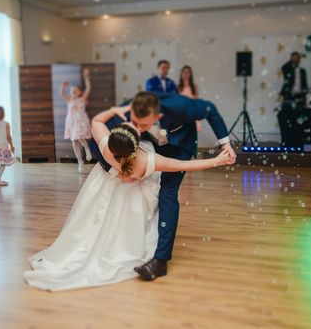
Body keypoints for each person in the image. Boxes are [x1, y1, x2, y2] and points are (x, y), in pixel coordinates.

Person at [24, 108, 233, 291]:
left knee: (97, 222)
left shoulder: (107, 149)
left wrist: (115, 109)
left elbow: (96, 121)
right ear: (136, 144)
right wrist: (217, 160)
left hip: (103, 188)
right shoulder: (145, 160)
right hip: (134, 198)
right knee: (127, 225)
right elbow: (184, 165)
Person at [88, 91, 236, 281]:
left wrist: (225, 146)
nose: (138, 128)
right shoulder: (128, 110)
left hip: (179, 143)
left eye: (143, 125)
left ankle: (160, 261)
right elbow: (96, 139)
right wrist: (114, 169)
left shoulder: (181, 108)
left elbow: (210, 109)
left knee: (167, 193)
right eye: (135, 122)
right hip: (147, 146)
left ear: (158, 117)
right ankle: (133, 242)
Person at [61, 68, 92, 173]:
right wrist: (63, 87)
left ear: (79, 92)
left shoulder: (82, 99)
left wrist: (86, 77)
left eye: (75, 90)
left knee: (78, 137)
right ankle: (80, 161)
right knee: (74, 141)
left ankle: (87, 149)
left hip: (81, 121)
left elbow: (88, 88)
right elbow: (62, 94)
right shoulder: (69, 99)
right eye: (71, 90)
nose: (73, 91)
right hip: (71, 122)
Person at [178, 65, 203, 133]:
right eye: (184, 72)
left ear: (190, 74)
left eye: (188, 72)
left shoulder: (194, 86)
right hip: (181, 114)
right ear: (181, 73)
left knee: (192, 137)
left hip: (192, 113)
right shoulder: (178, 87)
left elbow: (196, 101)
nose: (186, 74)